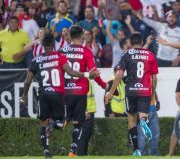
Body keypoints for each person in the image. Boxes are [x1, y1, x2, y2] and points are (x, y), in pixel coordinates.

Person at [20, 33, 99, 158]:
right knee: (62, 122)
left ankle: (46, 150)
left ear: (42, 45)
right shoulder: (60, 57)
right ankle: (55, 126)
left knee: (43, 123)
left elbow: (27, 81)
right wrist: (87, 75)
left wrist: (24, 96)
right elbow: (71, 72)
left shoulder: (35, 60)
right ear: (53, 44)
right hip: (58, 94)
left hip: (43, 94)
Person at [105, 33, 158, 156]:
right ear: (141, 41)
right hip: (145, 90)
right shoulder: (150, 55)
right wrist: (153, 93)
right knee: (142, 116)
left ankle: (136, 150)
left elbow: (119, 75)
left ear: (130, 43)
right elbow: (154, 78)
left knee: (132, 121)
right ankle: (144, 120)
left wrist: (111, 93)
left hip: (131, 91)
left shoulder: (126, 54)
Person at [60, 25, 107, 157]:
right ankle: (73, 150)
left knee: (67, 118)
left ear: (69, 35)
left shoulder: (62, 51)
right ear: (82, 36)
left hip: (66, 92)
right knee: (78, 123)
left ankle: (61, 120)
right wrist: (104, 86)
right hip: (80, 92)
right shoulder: (86, 52)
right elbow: (93, 73)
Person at [138, 91, 160, 156]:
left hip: (152, 109)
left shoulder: (151, 81)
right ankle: (141, 155)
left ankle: (154, 156)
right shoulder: (139, 81)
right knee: (141, 136)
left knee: (155, 135)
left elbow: (153, 88)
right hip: (142, 109)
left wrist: (157, 100)